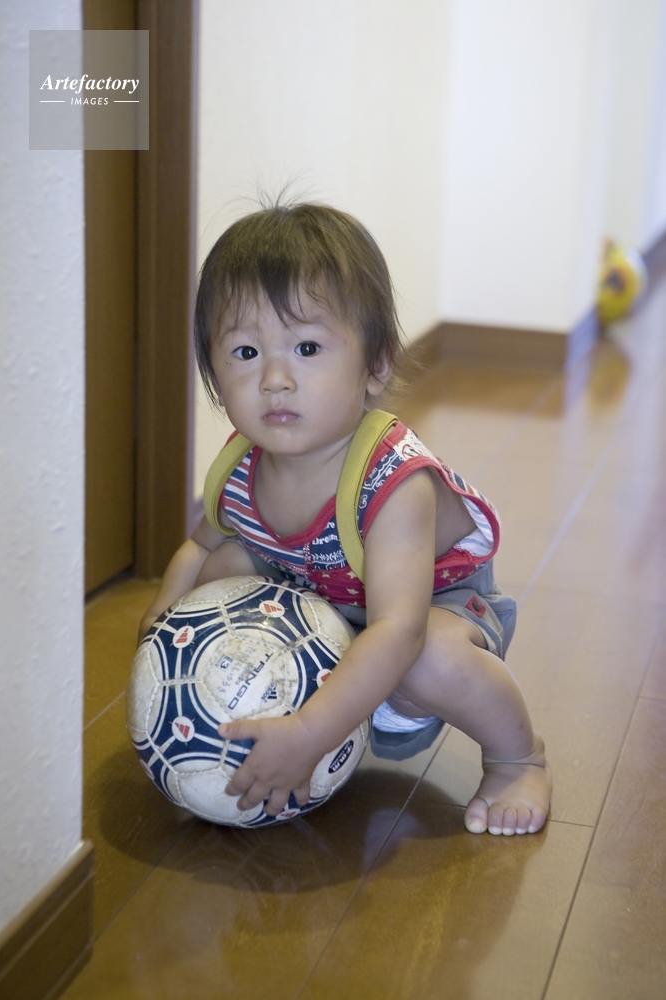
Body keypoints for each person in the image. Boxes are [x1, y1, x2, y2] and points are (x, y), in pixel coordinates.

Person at [139, 202, 552, 836]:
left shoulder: (392, 481)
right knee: (222, 563)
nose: (275, 379)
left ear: (376, 364)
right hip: (324, 600)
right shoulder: (239, 465)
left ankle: (518, 758)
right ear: (214, 375)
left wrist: (311, 731)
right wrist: (162, 631)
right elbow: (198, 549)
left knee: (429, 658)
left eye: (307, 348)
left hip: (428, 610)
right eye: (245, 351)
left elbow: (398, 630)